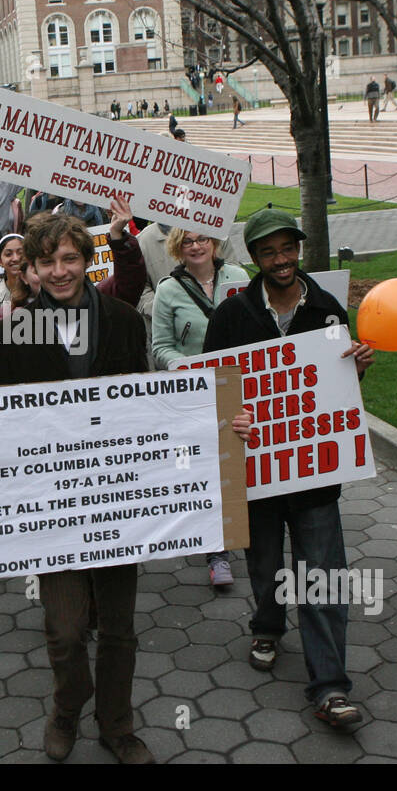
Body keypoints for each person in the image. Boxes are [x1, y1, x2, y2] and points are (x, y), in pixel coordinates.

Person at [0, 208, 155, 764]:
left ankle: (117, 725)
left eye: (70, 258)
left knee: (119, 627)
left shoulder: (124, 321)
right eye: (46, 262)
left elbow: (150, 408)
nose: (59, 271)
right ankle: (69, 707)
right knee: (68, 629)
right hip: (49, 505)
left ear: (87, 258)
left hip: (117, 498)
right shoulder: (11, 331)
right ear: (29, 270)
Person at [204, 209, 375, 730]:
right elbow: (212, 387)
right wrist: (229, 418)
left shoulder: (326, 308)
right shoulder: (232, 315)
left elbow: (336, 396)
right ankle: (268, 623)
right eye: (269, 252)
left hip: (315, 472)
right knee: (263, 564)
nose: (281, 261)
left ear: (298, 250)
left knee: (321, 575)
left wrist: (357, 370)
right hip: (256, 468)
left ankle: (330, 686)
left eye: (288, 249)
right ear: (253, 259)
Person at [151, 225, 250, 589]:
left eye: (202, 239)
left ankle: (247, 530)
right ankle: (217, 551)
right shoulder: (169, 290)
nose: (196, 246)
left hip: (236, 388)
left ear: (215, 243)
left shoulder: (238, 278)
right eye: (188, 241)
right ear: (178, 248)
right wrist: (186, 367)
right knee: (203, 471)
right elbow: (160, 346)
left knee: (236, 465)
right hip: (191, 395)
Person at [0, 233, 24, 302]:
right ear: (0, 262)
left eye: (20, 253)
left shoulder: (38, 291)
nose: (15, 258)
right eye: (8, 254)